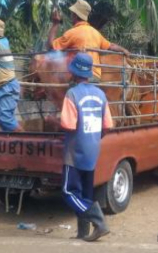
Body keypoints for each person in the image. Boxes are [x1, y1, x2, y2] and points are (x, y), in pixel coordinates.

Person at [46, 53, 113, 242]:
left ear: (73, 73)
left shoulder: (72, 94)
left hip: (74, 152)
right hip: (92, 150)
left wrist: (52, 120)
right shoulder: (100, 94)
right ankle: (83, 233)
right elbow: (107, 125)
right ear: (89, 73)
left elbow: (68, 125)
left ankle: (99, 222)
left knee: (68, 192)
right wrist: (93, 138)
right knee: (84, 193)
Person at [48, 0, 130, 81]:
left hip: (80, 76)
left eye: (72, 13)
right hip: (95, 76)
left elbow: (51, 46)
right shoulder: (95, 33)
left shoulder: (72, 33)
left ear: (75, 15)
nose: (71, 16)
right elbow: (111, 46)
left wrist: (55, 24)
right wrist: (124, 50)